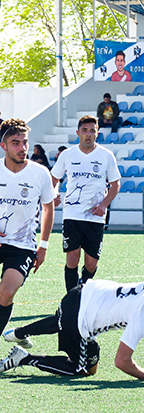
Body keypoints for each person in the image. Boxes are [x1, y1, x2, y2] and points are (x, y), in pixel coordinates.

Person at [0, 278, 144, 378]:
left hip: (81, 292)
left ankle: (18, 333)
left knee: (63, 324)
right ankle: (24, 358)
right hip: (80, 318)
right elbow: (122, 361)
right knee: (83, 369)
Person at [51, 115, 121, 292]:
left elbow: (115, 184)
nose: (88, 134)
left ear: (97, 133)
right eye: (84, 130)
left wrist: (104, 205)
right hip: (72, 214)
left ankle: (82, 287)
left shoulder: (106, 155)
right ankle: (71, 299)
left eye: (92, 131)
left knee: (91, 264)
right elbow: (54, 178)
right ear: (78, 133)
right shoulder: (68, 154)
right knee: (72, 258)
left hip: (95, 217)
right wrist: (54, 194)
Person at [0, 119, 55, 339]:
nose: (23, 148)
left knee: (6, 292)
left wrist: (43, 246)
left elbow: (48, 208)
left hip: (22, 246)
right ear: (3, 145)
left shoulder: (40, 173)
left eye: (25, 143)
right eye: (16, 143)